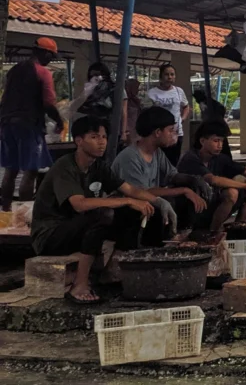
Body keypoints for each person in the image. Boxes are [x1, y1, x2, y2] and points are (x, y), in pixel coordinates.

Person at [30, 116, 159, 304]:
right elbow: (79, 204)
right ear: (79, 141)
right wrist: (125, 201)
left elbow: (130, 189)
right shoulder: (65, 166)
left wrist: (159, 202)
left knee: (135, 211)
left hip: (79, 228)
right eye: (94, 137)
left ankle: (118, 272)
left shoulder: (98, 166)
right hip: (51, 235)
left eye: (104, 137)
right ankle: (79, 285)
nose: (102, 142)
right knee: (102, 213)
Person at [111, 107, 209, 245]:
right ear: (157, 132)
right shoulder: (130, 157)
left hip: (149, 201)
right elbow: (140, 192)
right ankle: (157, 245)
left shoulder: (157, 153)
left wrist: (193, 180)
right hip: (128, 210)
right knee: (169, 199)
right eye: (170, 130)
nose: (173, 134)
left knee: (190, 193)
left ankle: (184, 234)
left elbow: (172, 175)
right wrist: (184, 190)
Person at [177, 120, 246, 231]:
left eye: (222, 141)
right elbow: (213, 180)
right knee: (233, 192)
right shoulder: (191, 158)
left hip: (209, 204)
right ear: (202, 141)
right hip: (191, 209)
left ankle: (238, 230)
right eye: (216, 141)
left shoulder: (220, 158)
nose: (220, 145)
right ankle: (212, 233)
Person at [0, 37, 63, 210]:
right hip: (29, 125)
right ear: (44, 53)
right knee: (31, 171)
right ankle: (24, 213)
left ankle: (5, 211)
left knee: (11, 170)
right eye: (51, 55)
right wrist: (59, 121)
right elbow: (49, 103)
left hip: (7, 124)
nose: (50, 59)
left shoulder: (14, 70)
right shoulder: (42, 72)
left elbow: (5, 98)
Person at [147, 63, 190, 165]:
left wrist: (182, 118)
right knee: (158, 162)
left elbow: (186, 106)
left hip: (176, 133)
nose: (170, 77)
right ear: (161, 77)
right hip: (158, 134)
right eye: (167, 74)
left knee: (173, 162)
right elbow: (147, 112)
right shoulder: (152, 93)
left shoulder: (179, 91)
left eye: (172, 74)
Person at [122, 78, 143, 145]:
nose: (138, 90)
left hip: (136, 130)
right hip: (129, 132)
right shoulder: (126, 102)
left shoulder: (135, 101)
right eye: (136, 88)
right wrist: (125, 131)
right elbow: (125, 115)